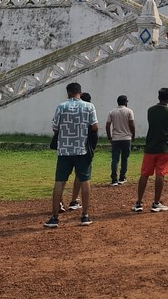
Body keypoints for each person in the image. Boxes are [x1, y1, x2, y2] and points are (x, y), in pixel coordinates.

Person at [44, 82, 98, 228]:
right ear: (80, 92)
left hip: (65, 150)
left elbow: (55, 129)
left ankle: (55, 217)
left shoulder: (61, 106)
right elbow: (94, 127)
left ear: (68, 93)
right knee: (85, 180)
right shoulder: (89, 106)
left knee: (59, 182)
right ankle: (85, 216)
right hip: (82, 150)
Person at [134, 87, 168, 213]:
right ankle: (156, 202)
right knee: (160, 174)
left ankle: (139, 202)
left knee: (144, 174)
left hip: (150, 147)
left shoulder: (150, 110)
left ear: (158, 97)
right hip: (163, 147)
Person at [65, 92, 98, 210]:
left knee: (62, 179)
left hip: (67, 149)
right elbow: (95, 132)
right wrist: (92, 150)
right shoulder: (89, 112)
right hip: (83, 150)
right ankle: (83, 211)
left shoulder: (68, 110)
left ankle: (66, 201)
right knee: (83, 178)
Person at [107, 94, 135, 186]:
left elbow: (107, 125)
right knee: (125, 158)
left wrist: (109, 136)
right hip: (126, 138)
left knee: (115, 159)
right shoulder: (129, 111)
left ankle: (114, 179)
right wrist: (133, 135)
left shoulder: (112, 112)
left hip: (115, 138)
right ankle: (122, 177)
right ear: (125, 102)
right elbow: (131, 124)